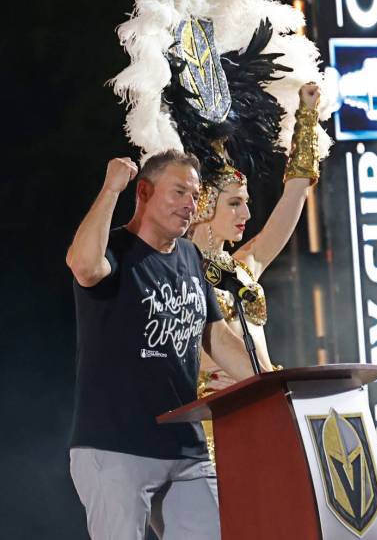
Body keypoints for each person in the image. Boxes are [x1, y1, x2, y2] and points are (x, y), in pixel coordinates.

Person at [66, 149, 269, 540]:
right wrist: (111, 189)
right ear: (143, 191)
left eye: (194, 196)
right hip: (116, 445)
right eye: (178, 192)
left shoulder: (191, 256)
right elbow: (84, 267)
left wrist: (271, 386)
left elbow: (216, 336)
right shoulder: (117, 250)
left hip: (183, 447)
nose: (190, 205)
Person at [190, 82, 322, 458]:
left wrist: (307, 118)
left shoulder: (245, 265)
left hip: (266, 411)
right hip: (214, 430)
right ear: (204, 205)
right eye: (235, 204)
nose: (246, 215)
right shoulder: (178, 276)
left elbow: (293, 198)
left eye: (246, 203)